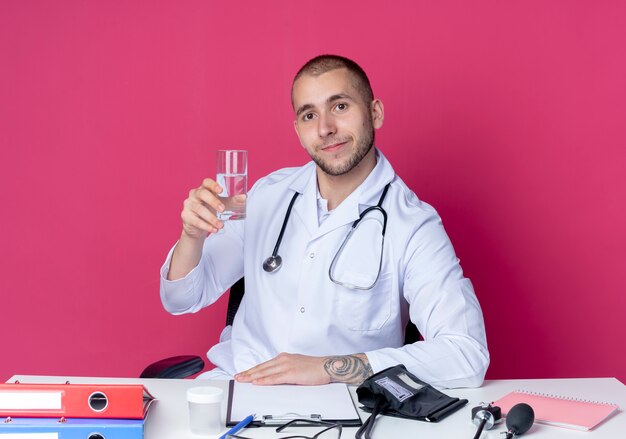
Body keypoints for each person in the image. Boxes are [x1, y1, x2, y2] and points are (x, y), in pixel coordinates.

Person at [160, 55, 489, 388]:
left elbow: (467, 354)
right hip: (238, 386)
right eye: (309, 115)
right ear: (298, 130)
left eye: (340, 107)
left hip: (343, 409)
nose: (325, 129)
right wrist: (192, 236)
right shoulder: (265, 197)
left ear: (375, 113)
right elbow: (181, 299)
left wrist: (328, 368)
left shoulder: (413, 224)